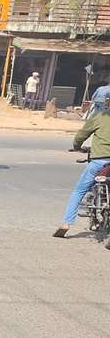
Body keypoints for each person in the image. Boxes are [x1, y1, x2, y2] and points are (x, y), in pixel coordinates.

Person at [53, 94, 110, 238]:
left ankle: (66, 223)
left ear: (107, 103)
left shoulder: (100, 116)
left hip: (100, 161)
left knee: (79, 191)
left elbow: (81, 135)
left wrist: (77, 146)